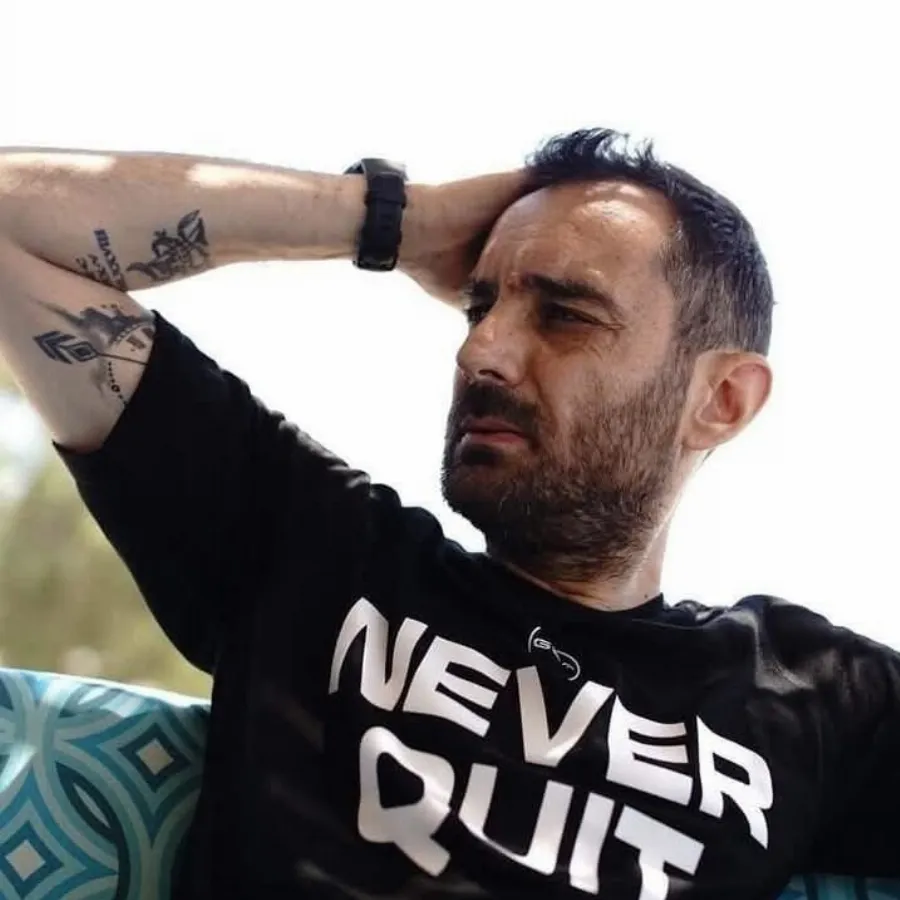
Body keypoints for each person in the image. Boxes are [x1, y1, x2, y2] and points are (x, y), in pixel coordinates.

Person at [0, 129, 897, 900]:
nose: (482, 350)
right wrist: (397, 219)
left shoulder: (810, 698)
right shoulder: (314, 548)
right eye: (481, 305)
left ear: (723, 400)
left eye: (565, 314)